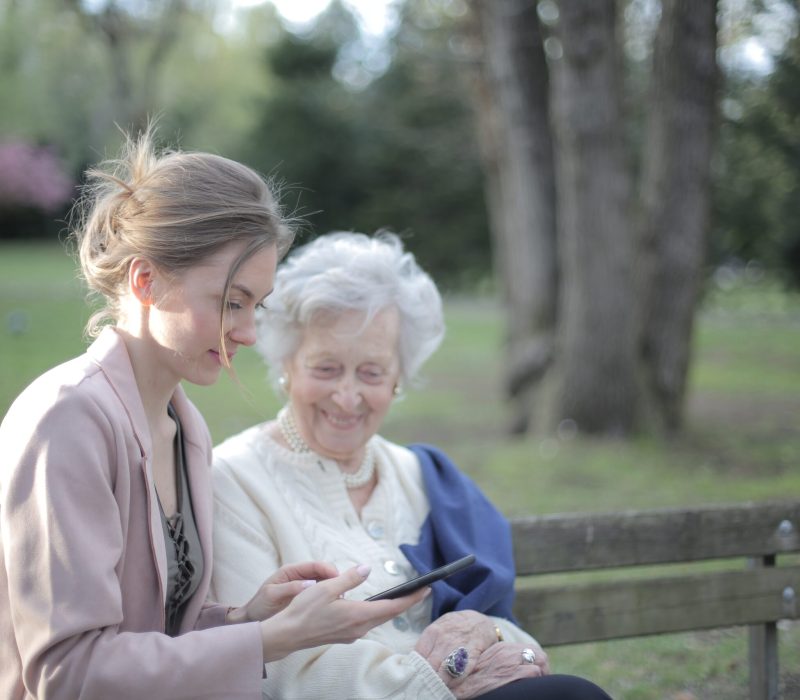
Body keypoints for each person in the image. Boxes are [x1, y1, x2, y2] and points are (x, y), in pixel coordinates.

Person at [0, 133, 428, 700]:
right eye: (230, 301)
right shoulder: (68, 419)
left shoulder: (185, 427)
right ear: (145, 280)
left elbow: (158, 636)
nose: (249, 334)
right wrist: (268, 642)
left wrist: (250, 616)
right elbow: (69, 674)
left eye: (257, 305)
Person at [210, 232, 611, 699]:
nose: (347, 396)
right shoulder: (234, 480)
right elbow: (278, 670)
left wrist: (487, 633)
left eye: (372, 373)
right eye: (325, 368)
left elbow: (514, 639)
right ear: (287, 365)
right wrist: (435, 680)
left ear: (398, 378)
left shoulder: (424, 476)